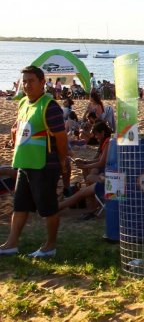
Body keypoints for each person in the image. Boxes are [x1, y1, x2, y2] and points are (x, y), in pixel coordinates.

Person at [0, 65, 68, 258]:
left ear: (42, 82)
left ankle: (50, 246)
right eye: (25, 81)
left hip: (44, 164)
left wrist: (62, 160)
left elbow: (61, 138)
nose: (27, 85)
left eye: (31, 81)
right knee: (20, 205)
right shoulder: (23, 103)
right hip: (24, 163)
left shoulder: (49, 105)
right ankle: (11, 244)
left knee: (48, 207)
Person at [60, 122, 113, 212]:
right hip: (108, 178)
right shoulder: (107, 142)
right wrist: (85, 162)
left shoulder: (108, 142)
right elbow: (99, 160)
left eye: (96, 135)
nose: (95, 137)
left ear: (103, 132)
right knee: (91, 171)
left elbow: (101, 162)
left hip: (110, 183)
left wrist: (85, 165)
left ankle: (93, 205)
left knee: (88, 179)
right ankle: (93, 202)